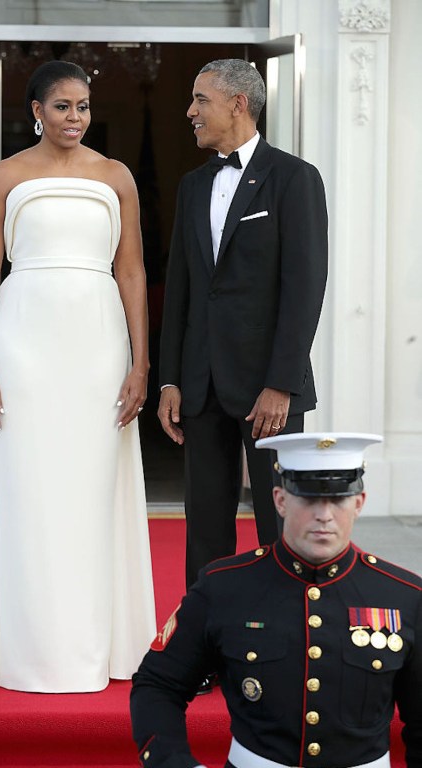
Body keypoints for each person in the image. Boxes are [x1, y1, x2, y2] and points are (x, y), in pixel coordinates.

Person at [0, 60, 156, 692]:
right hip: (23, 344)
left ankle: (98, 647)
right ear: (36, 110)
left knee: (89, 490)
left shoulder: (116, 177)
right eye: (62, 106)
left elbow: (132, 272)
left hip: (97, 347)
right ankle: (23, 649)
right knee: (28, 490)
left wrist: (140, 361)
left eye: (82, 106)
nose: (75, 118)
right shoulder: (5, 175)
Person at [130, 432, 422, 768]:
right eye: (308, 500)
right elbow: (158, 685)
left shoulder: (403, 597)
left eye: (338, 500)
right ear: (280, 500)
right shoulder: (224, 588)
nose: (324, 515)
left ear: (359, 503)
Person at [157, 59, 328, 591]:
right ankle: (203, 645)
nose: (190, 112)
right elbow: (182, 291)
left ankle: (286, 641)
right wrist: (170, 380)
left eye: (200, 99)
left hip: (268, 391)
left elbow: (305, 289)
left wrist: (281, 384)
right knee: (205, 527)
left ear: (238, 103)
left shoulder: (295, 178)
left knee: (282, 525)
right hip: (202, 386)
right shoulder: (191, 186)